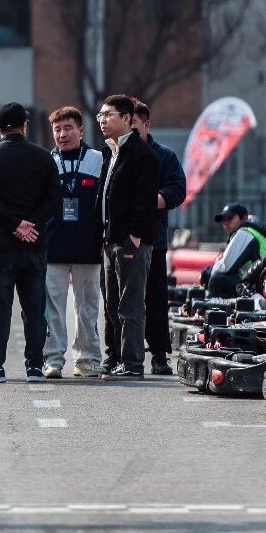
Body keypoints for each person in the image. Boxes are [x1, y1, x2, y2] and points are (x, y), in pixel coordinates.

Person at [0, 102, 62, 383]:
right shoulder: (44, 157)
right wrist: (30, 224)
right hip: (34, 243)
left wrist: (13, 224)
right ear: (25, 126)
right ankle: (35, 366)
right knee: (34, 309)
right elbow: (54, 200)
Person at [94, 94, 160, 380]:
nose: (102, 120)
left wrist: (134, 236)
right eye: (100, 115)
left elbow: (145, 202)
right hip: (110, 240)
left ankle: (133, 364)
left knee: (130, 305)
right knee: (112, 306)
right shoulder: (110, 152)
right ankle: (118, 359)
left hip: (130, 242)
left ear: (127, 119)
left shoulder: (142, 155)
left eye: (108, 115)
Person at [41, 107, 105, 379]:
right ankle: (53, 359)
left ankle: (87, 359)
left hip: (89, 246)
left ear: (81, 130)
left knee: (87, 307)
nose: (62, 134)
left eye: (68, 128)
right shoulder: (46, 162)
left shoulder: (98, 159)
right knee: (52, 307)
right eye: (57, 129)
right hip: (53, 246)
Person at [128, 100, 187, 375]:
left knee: (154, 298)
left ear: (146, 125)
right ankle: (119, 354)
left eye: (134, 124)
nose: (129, 130)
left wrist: (148, 202)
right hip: (118, 240)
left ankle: (159, 355)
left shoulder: (164, 156)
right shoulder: (112, 154)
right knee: (119, 301)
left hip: (153, 239)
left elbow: (177, 189)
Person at [202, 203, 266, 298]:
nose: (225, 223)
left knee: (217, 279)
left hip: (256, 288)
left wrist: (206, 273)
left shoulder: (244, 233)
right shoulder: (255, 232)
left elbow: (224, 268)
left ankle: (211, 307)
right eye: (223, 220)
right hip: (264, 284)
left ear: (243, 218)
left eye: (230, 218)